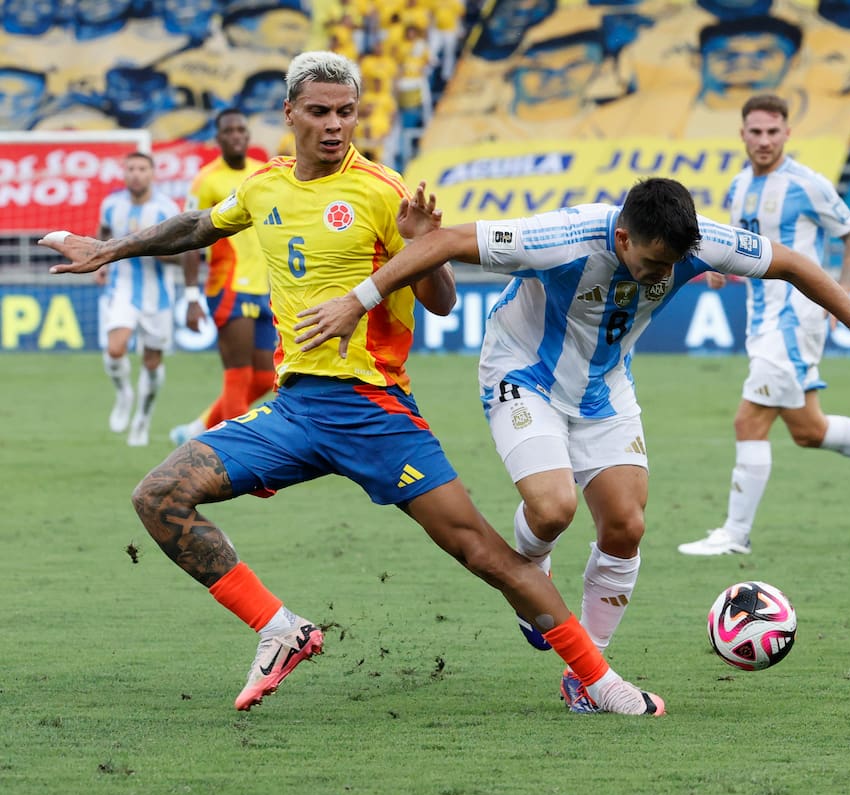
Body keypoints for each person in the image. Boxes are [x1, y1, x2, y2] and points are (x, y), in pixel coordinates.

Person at [40, 50, 665, 718]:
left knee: (481, 552)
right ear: (289, 114)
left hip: (376, 413)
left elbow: (443, 300)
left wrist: (424, 242)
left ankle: (599, 681)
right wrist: (110, 247)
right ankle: (279, 628)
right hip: (294, 410)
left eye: (346, 112)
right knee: (159, 496)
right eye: (319, 112)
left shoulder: (381, 190)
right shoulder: (265, 185)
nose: (335, 125)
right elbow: (200, 224)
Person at [292, 176, 850, 711]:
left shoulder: (698, 242)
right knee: (553, 510)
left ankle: (585, 676)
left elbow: (793, 264)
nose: (664, 274)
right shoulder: (565, 234)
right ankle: (530, 568)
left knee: (625, 525)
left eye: (672, 265)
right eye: (653, 263)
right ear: (622, 237)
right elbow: (452, 241)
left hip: (605, 386)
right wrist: (360, 298)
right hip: (524, 371)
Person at [678, 95, 850, 558]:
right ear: (742, 134)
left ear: (786, 134)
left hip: (794, 318)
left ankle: (735, 534)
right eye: (755, 132)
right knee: (808, 430)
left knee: (749, 420)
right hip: (761, 320)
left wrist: (839, 297)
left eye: (772, 132)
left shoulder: (806, 184)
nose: (763, 140)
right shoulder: (738, 187)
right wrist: (718, 267)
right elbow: (742, 246)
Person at [170, 109, 276, 446]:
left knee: (265, 377)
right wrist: (190, 297)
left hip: (265, 287)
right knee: (238, 374)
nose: (235, 135)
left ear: (248, 136)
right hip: (228, 286)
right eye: (228, 131)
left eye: (240, 130)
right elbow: (189, 240)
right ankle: (238, 454)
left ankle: (198, 429)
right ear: (218, 139)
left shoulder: (262, 175)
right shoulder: (206, 180)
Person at [96, 151, 182, 447]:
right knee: (115, 349)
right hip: (122, 287)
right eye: (130, 168)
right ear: (124, 173)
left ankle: (143, 416)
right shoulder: (111, 205)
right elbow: (104, 234)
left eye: (141, 168)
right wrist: (102, 264)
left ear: (152, 173)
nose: (135, 174)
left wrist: (144, 245)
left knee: (151, 361)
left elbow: (181, 256)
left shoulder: (166, 209)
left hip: (158, 294)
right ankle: (123, 395)